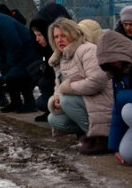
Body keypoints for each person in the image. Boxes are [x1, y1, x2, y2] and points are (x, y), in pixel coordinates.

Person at [47, 17, 113, 155]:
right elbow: (58, 84)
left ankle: (102, 138)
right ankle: (87, 134)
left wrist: (66, 90)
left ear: (73, 34)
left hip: (101, 101)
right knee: (54, 119)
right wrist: (56, 98)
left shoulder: (87, 50)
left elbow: (96, 82)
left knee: (67, 100)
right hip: (84, 102)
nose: (59, 40)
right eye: (56, 37)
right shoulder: (61, 57)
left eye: (63, 35)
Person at [29, 3, 72, 122]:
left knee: (43, 98)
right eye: (35, 35)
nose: (37, 39)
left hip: (70, 94)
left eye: (39, 35)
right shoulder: (47, 51)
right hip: (59, 94)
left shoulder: (66, 51)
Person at [96, 31, 132, 166]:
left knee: (128, 111)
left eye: (113, 59)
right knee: (127, 154)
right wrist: (115, 146)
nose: (113, 65)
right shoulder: (118, 72)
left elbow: (120, 102)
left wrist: (122, 96)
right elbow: (116, 111)